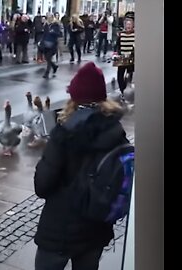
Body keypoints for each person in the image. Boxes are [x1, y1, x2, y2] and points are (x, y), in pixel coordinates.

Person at [34, 61, 128, 270]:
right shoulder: (116, 131)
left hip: (59, 230)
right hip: (96, 227)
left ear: (74, 97)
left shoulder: (64, 134)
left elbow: (42, 185)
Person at [114, 18, 135, 97]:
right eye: (127, 24)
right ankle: (122, 89)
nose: (128, 26)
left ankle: (125, 89)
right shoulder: (121, 34)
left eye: (130, 24)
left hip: (131, 57)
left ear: (132, 26)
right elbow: (117, 45)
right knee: (120, 75)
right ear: (125, 26)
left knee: (129, 74)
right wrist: (116, 53)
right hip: (121, 57)